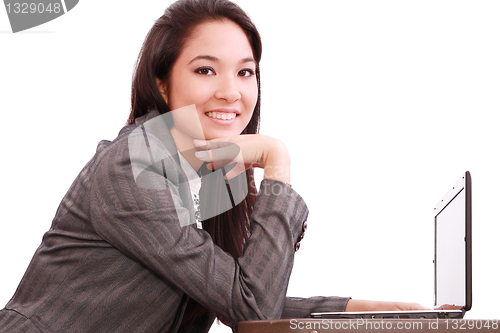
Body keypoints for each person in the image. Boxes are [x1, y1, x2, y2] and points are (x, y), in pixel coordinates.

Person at [0, 0, 427, 332]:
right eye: (206, 70)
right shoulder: (135, 164)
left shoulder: (205, 171)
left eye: (246, 73)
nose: (231, 92)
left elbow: (238, 294)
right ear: (163, 83)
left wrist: (371, 312)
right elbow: (251, 307)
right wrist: (276, 158)